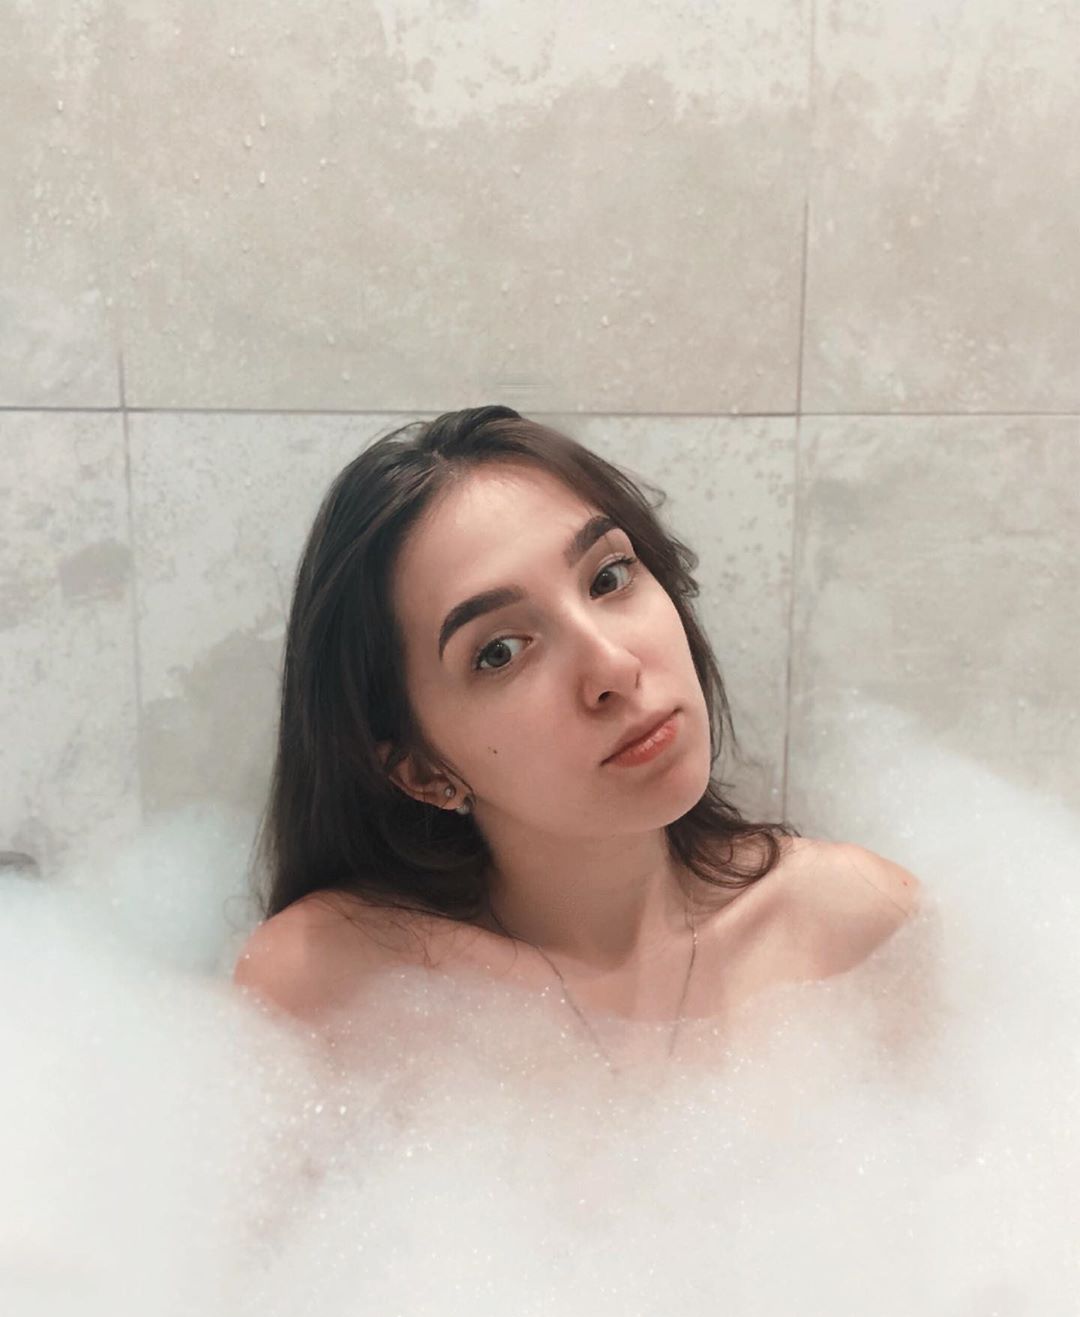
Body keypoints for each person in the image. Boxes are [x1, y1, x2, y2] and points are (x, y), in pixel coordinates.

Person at [233, 406, 922, 1072]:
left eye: (608, 577)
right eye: (500, 651)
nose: (613, 667)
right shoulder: (331, 990)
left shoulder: (859, 928)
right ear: (422, 770)